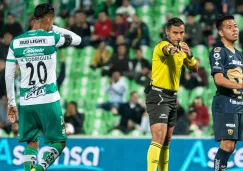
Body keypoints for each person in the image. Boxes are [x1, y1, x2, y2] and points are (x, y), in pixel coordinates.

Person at [5, 3, 81, 171]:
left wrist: (11, 103)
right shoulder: (51, 37)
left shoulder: (16, 43)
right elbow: (77, 39)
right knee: (60, 141)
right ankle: (39, 169)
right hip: (48, 99)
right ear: (48, 19)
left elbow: (9, 75)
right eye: (51, 21)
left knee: (32, 141)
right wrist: (55, 28)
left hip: (26, 102)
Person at [145, 17, 198, 171]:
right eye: (175, 33)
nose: (179, 36)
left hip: (172, 97)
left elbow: (194, 68)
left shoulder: (183, 48)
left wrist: (189, 55)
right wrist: (171, 49)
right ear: (167, 32)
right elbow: (166, 50)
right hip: (158, 95)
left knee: (167, 140)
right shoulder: (161, 46)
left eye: (181, 32)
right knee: (158, 138)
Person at [209, 15, 243, 171]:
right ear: (221, 32)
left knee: (231, 148)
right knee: (227, 145)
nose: (234, 29)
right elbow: (219, 80)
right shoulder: (218, 51)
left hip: (239, 104)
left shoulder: (239, 54)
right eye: (229, 27)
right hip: (226, 103)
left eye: (235, 26)